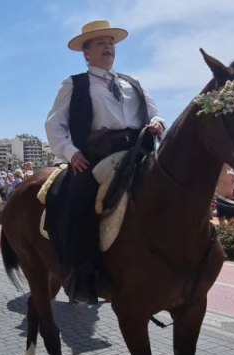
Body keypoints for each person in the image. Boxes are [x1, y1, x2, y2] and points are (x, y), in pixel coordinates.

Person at [45, 20, 166, 304]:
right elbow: (54, 125)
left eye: (110, 43)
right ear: (86, 53)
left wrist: (157, 123)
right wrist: (70, 152)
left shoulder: (132, 83)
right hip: (99, 153)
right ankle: (84, 272)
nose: (108, 47)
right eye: (100, 43)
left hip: (138, 150)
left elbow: (155, 113)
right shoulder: (74, 84)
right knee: (79, 200)